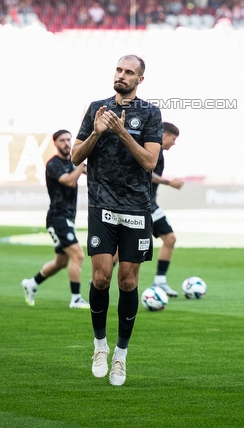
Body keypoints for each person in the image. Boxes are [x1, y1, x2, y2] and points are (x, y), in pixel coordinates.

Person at [71, 55, 162, 387]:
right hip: (102, 202)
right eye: (119, 70)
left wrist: (122, 131)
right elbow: (76, 156)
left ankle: (120, 356)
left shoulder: (151, 113)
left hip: (136, 206)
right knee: (100, 277)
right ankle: (99, 346)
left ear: (140, 80)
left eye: (129, 72)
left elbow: (150, 161)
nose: (121, 76)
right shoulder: (97, 107)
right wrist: (96, 133)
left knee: (127, 281)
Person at [21, 129, 90, 309]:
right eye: (62, 140)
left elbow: (92, 174)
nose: (67, 143)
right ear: (56, 143)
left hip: (68, 218)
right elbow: (68, 181)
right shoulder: (53, 164)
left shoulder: (74, 163)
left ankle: (32, 283)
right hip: (57, 217)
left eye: (69, 140)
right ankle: (76, 299)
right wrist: (81, 165)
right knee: (78, 254)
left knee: (61, 262)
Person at [149, 122, 184, 298]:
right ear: (163, 135)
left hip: (149, 204)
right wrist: (170, 182)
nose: (174, 143)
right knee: (126, 247)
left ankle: (160, 281)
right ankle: (102, 276)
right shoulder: (152, 150)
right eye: (173, 138)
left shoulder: (159, 153)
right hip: (142, 206)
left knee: (169, 239)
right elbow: (146, 173)